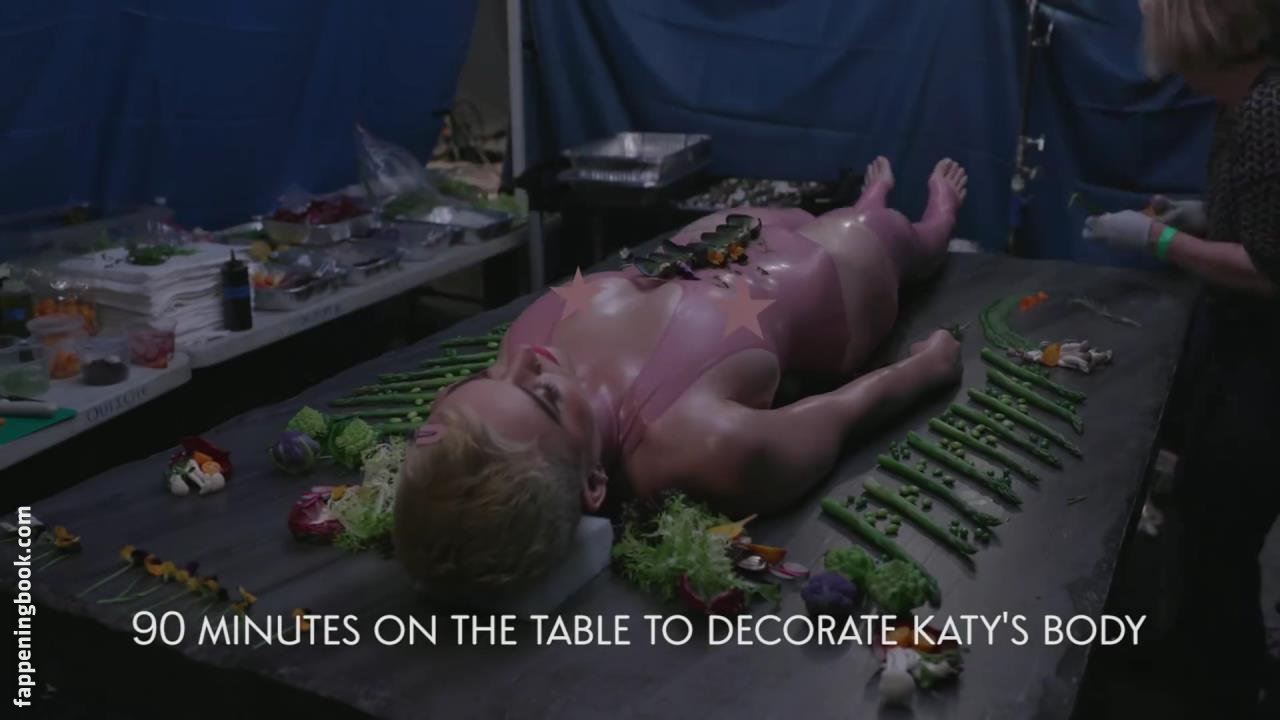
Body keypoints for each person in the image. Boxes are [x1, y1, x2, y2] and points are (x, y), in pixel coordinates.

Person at [394, 157, 968, 601]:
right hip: (827, 281)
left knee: (831, 214)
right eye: (544, 395)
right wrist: (926, 368)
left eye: (492, 375)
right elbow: (839, 417)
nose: (525, 357)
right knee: (887, 231)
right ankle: (929, 214)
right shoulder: (698, 442)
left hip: (718, 239)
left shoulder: (523, 353)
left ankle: (869, 196)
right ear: (594, 484)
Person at [1083, 0, 1280, 714]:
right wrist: (1202, 217)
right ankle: (1195, 650)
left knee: (1224, 524)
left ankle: (1228, 685)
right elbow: (1260, 219)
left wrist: (1163, 242)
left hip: (1267, 358)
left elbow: (1270, 267)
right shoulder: (1244, 104)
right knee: (1203, 510)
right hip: (1241, 344)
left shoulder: (1267, 113)